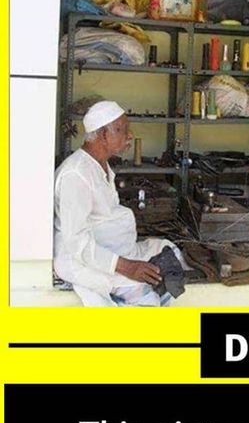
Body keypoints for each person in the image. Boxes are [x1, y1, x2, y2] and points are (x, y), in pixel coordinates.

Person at [54, 101, 178, 307]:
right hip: (84, 260)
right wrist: (127, 267)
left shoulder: (100, 165)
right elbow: (77, 243)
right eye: (123, 130)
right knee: (147, 293)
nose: (130, 136)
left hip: (114, 249)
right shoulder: (75, 175)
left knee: (168, 251)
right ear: (103, 135)